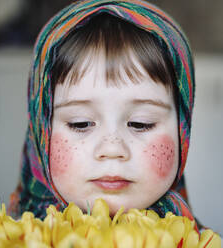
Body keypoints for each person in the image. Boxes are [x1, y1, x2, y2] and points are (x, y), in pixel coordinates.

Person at [10, 0, 198, 230]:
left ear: (182, 130)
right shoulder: (2, 241)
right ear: (41, 132)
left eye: (141, 123)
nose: (112, 149)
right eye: (80, 123)